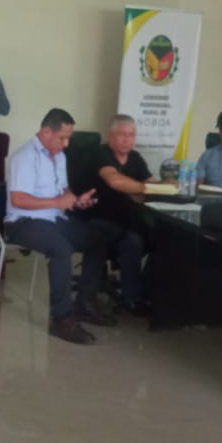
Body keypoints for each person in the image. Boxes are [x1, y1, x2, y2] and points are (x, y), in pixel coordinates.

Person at [5, 108, 114, 345]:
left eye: (68, 138)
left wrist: (76, 200)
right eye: (62, 138)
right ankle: (62, 319)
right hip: (24, 222)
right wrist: (57, 202)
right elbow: (18, 199)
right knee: (61, 249)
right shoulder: (25, 157)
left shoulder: (59, 157)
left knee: (98, 238)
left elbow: (63, 190)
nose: (66, 144)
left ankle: (84, 303)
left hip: (53, 219)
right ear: (46, 132)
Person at [82, 114, 153, 316]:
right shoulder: (100, 153)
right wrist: (141, 188)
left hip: (127, 220)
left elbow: (150, 185)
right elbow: (115, 181)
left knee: (148, 240)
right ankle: (87, 301)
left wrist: (166, 185)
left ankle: (135, 298)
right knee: (125, 241)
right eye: (122, 134)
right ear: (110, 136)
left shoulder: (135, 158)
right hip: (98, 218)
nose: (127, 140)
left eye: (131, 135)